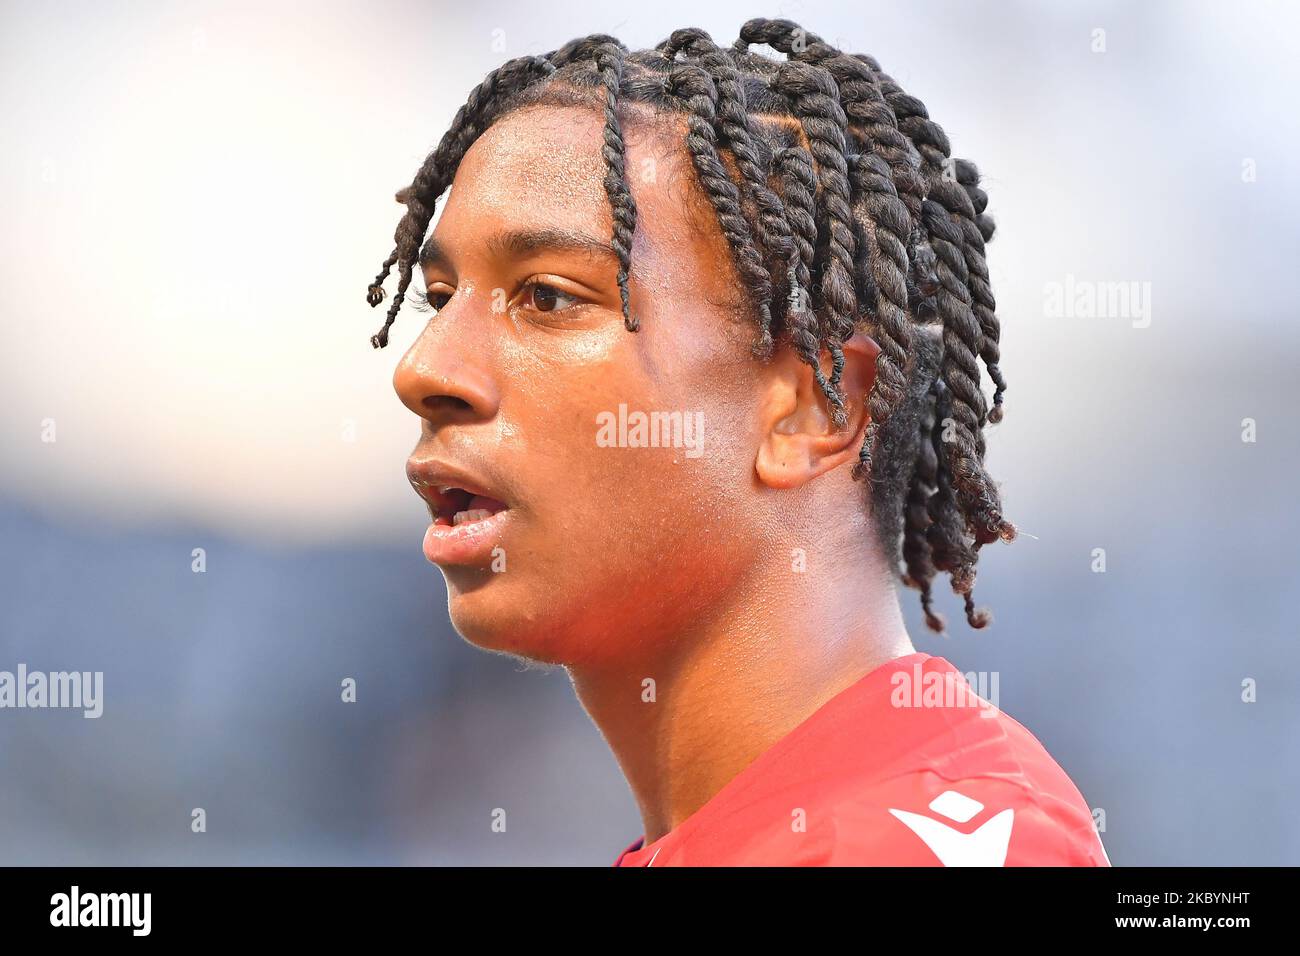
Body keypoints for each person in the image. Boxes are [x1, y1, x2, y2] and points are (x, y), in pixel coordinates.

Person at [363, 19, 1109, 866]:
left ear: (812, 407)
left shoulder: (917, 845)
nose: (424, 368)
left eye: (547, 296)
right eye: (440, 295)